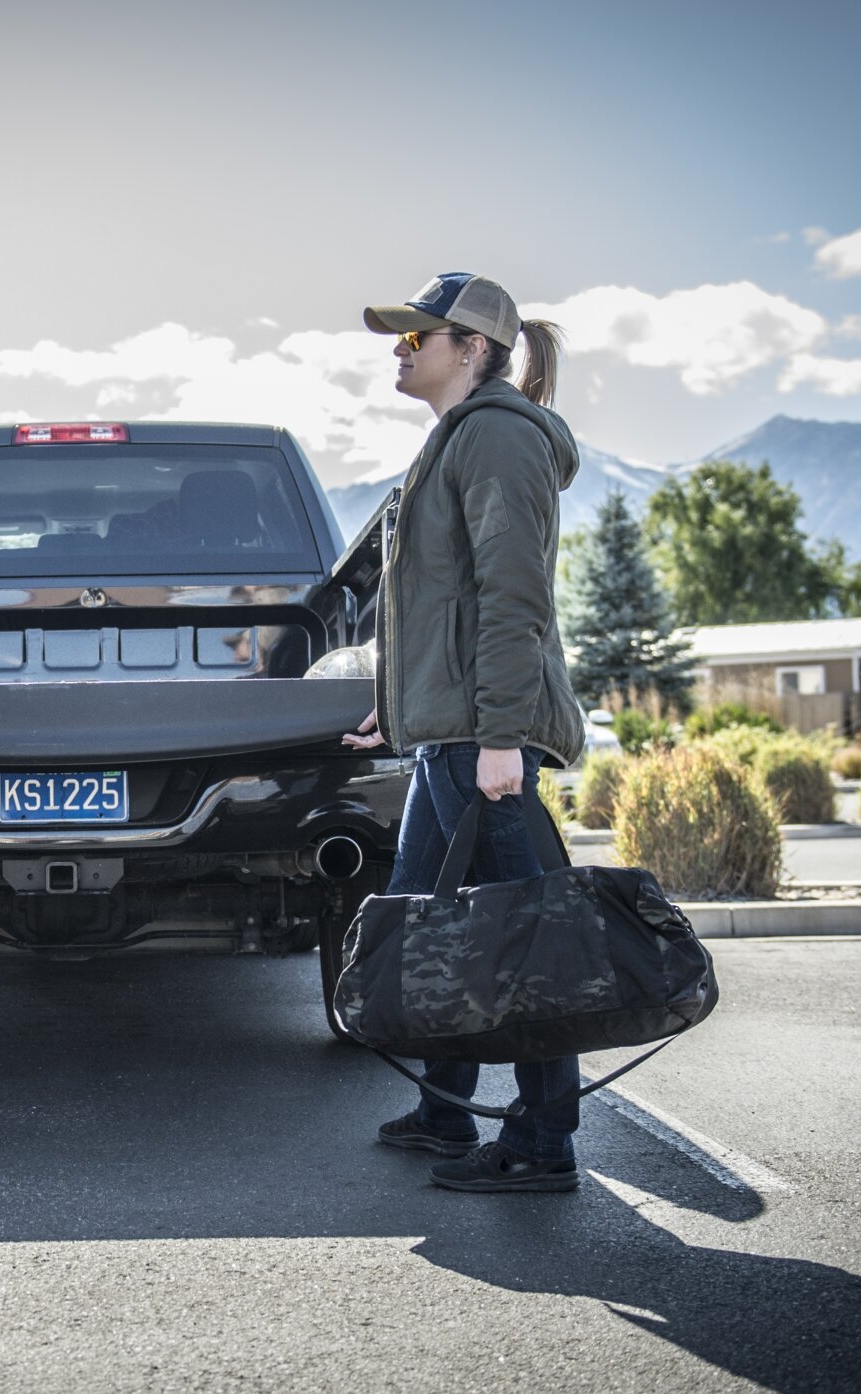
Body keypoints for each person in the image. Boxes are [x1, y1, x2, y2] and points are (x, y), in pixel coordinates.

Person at [342, 272, 588, 1193]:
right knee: (432, 922)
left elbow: (511, 598)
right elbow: (441, 604)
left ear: (472, 349)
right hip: (449, 733)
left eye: (416, 339)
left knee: (524, 944)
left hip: (483, 741)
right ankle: (447, 1112)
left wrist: (499, 739)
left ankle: (541, 1144)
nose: (400, 352)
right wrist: (401, 701)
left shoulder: (494, 439)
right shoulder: (459, 438)